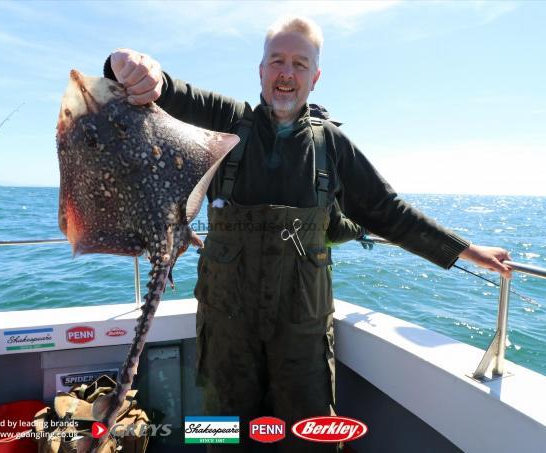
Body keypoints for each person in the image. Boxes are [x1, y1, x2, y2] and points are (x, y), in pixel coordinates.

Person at [103, 16, 511, 451]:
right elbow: (165, 90)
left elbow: (388, 212)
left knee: (312, 434)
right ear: (260, 70)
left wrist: (465, 250)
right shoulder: (226, 120)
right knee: (220, 432)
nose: (286, 72)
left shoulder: (334, 146)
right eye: (276, 60)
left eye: (300, 63)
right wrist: (124, 64)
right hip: (225, 329)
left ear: (314, 78)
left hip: (303, 332)